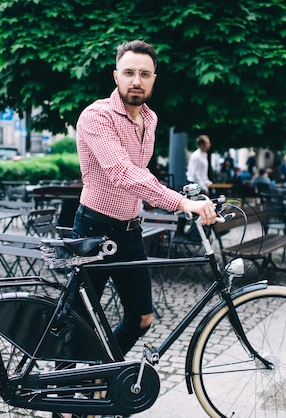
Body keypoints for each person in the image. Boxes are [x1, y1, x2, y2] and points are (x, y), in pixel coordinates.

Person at [74, 40, 216, 356]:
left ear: (153, 79)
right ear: (116, 76)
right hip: (93, 228)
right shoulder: (96, 116)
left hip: (130, 231)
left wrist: (187, 198)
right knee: (79, 319)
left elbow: (140, 174)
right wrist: (180, 202)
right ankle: (63, 400)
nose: (136, 80)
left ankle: (102, 377)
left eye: (144, 73)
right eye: (129, 72)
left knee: (142, 318)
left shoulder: (149, 120)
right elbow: (122, 172)